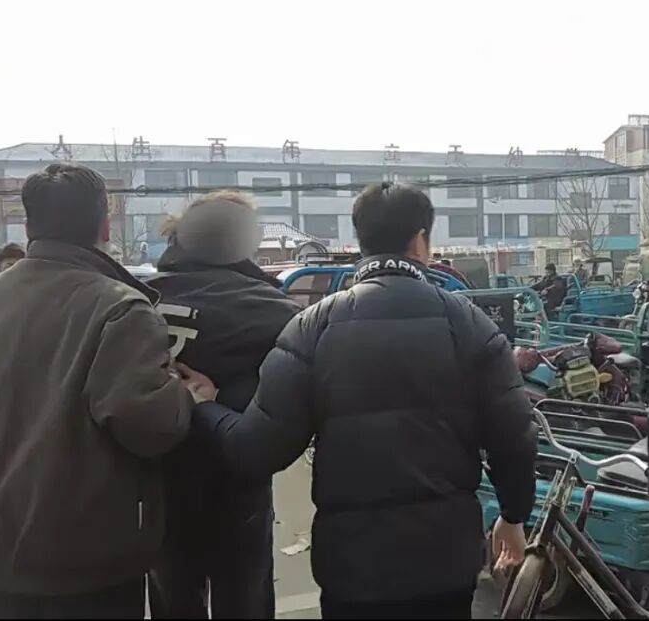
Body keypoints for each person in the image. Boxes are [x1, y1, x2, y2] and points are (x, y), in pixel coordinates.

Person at [182, 182, 537, 619]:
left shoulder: (313, 328)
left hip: (354, 571)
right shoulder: (470, 325)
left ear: (361, 239)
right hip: (444, 564)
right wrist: (513, 516)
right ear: (420, 240)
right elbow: (514, 437)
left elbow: (257, 447)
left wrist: (207, 406)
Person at [0, 163, 194, 619]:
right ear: (104, 226)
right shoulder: (120, 308)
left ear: (28, 226)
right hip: (77, 564)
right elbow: (149, 427)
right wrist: (187, 395)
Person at [146, 192, 302, 619]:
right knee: (244, 597)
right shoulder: (273, 309)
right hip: (236, 482)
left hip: (159, 479)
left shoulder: (140, 299)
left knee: (173, 598)